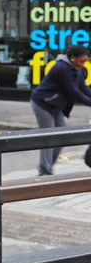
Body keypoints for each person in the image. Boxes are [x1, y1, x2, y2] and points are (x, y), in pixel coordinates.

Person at [30, 45, 91, 176]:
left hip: (56, 105)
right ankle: (44, 171)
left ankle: (47, 166)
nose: (83, 64)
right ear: (72, 58)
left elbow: (84, 88)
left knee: (62, 137)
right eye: (81, 61)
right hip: (43, 103)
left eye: (85, 61)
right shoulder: (61, 68)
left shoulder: (77, 68)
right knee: (48, 137)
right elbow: (74, 92)